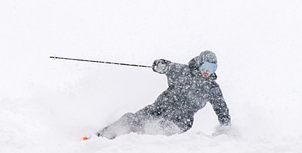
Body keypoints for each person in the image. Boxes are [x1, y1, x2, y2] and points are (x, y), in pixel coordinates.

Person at [95, 51, 230, 138]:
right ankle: (101, 137)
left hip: (181, 120)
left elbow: (221, 109)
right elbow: (164, 64)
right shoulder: (183, 71)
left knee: (160, 128)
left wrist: (226, 128)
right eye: (205, 66)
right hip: (158, 109)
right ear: (199, 63)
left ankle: (140, 145)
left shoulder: (211, 88)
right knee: (131, 118)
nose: (207, 71)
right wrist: (160, 65)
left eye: (212, 68)